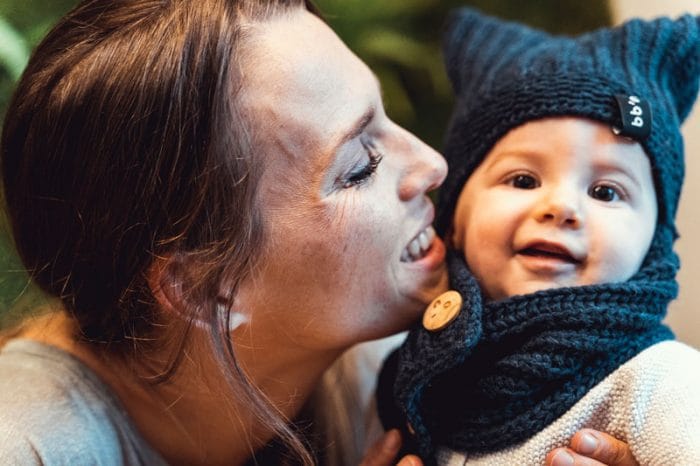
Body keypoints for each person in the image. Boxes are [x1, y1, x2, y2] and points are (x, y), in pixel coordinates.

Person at [0, 1, 640, 465]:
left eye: (385, 113)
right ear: (203, 287)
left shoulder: (412, 379)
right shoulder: (28, 438)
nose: (431, 163)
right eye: (359, 167)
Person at [377, 7, 700, 466]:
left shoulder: (661, 382)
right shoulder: (410, 379)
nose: (563, 207)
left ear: (654, 242)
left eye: (606, 191)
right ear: (454, 218)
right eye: (523, 181)